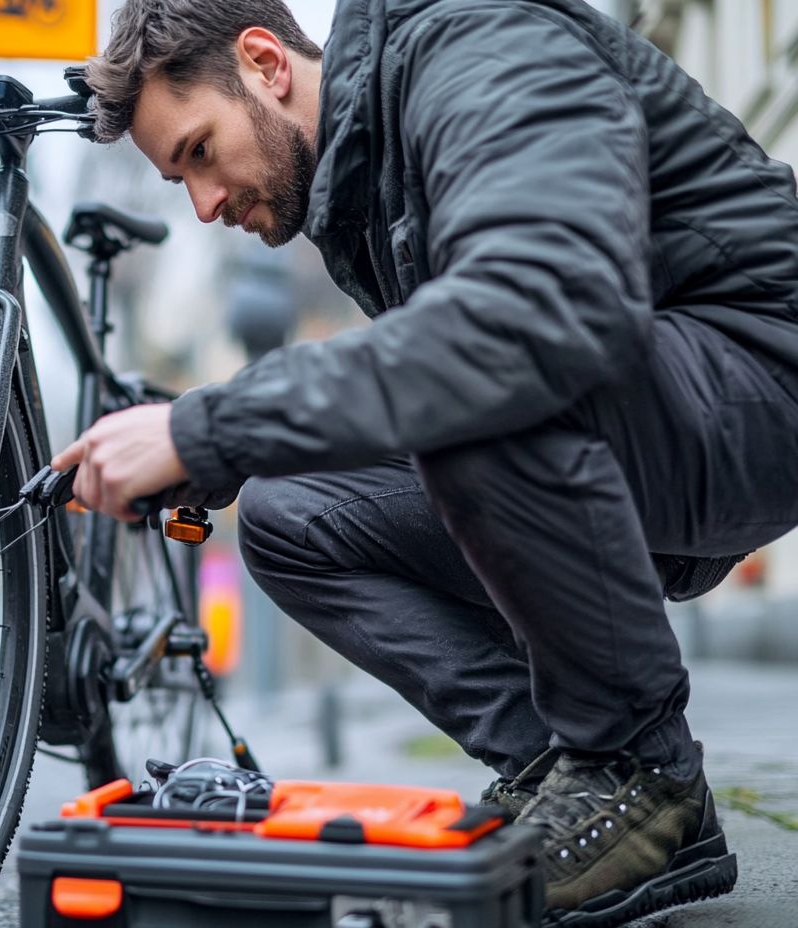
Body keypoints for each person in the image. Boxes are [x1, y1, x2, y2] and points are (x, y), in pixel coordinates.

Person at [51, 0, 798, 923]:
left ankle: (640, 772)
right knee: (292, 517)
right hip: (642, 411)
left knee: (478, 381)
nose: (203, 206)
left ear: (265, 63)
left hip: (762, 380)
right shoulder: (363, 186)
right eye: (179, 182)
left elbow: (528, 323)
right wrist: (226, 456)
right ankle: (564, 770)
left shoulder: (474, 42)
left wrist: (208, 427)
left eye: (199, 152)